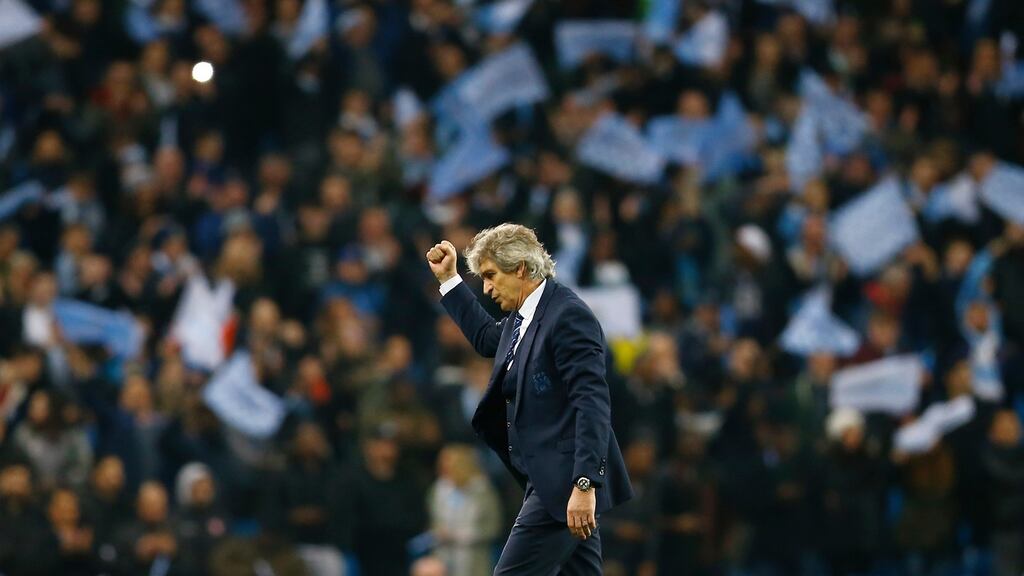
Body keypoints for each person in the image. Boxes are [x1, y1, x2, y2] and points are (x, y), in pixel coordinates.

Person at [425, 223, 633, 575]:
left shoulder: (567, 315)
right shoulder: (523, 319)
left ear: (521, 267)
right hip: (547, 480)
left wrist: (585, 483)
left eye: (491, 276)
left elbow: (592, 402)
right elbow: (484, 339)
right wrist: (449, 279)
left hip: (564, 484)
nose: (487, 289)